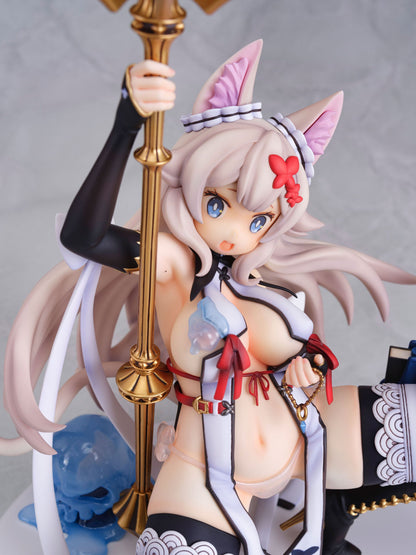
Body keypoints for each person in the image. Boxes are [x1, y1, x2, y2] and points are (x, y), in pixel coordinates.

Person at [3, 41, 416, 555]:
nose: (235, 233)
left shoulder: (257, 273)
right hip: (205, 466)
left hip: (307, 431)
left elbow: (301, 351)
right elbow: (83, 237)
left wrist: (306, 364)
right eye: (218, 204)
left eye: (258, 220)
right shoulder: (172, 264)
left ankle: (335, 514)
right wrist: (126, 125)